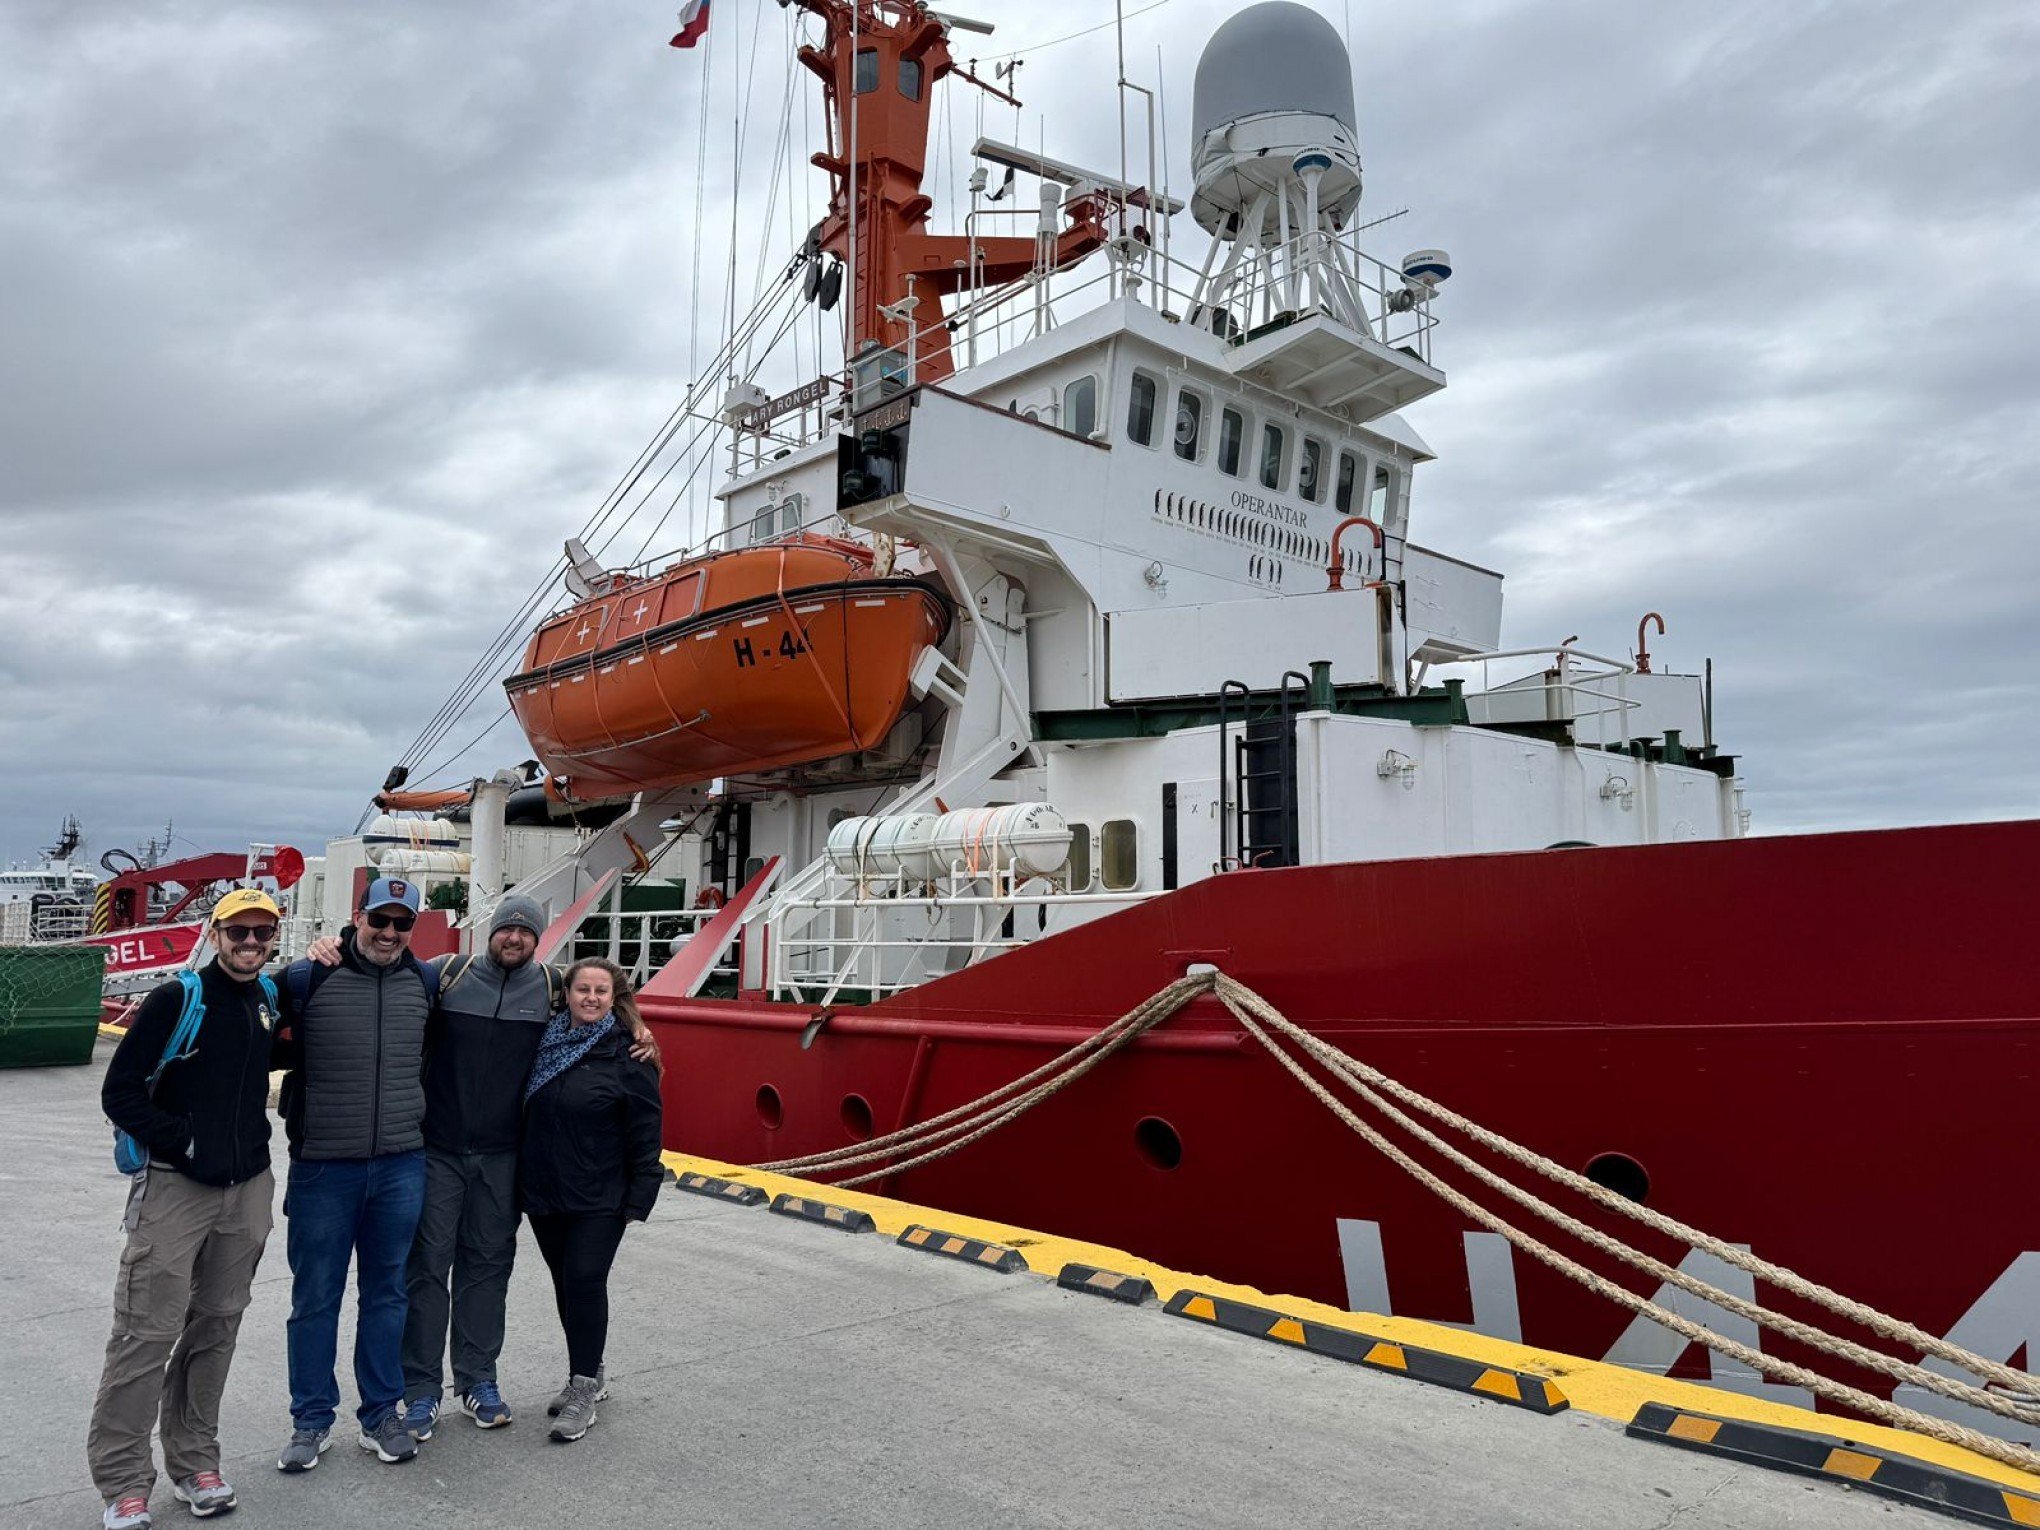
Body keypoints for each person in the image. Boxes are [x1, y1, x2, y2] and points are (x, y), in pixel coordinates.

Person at [304, 893, 659, 1439]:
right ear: (490, 932)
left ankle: (477, 1379)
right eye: (506, 929)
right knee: (426, 1269)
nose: (514, 938)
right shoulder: (446, 973)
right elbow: (381, 962)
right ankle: (420, 1391)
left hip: (503, 1156)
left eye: (526, 932)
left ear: (538, 941)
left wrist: (638, 1027)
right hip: (438, 1150)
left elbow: (602, 993)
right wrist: (329, 945)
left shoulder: (548, 987)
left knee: (489, 1268)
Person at [89, 888, 288, 1530]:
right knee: (145, 1334)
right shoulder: (177, 999)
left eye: (262, 933)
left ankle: (196, 1462)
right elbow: (120, 1093)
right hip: (177, 1187)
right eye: (239, 933)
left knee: (217, 1327)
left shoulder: (266, 999)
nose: (250, 944)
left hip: (248, 1188)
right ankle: (123, 1483)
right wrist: (184, 1139)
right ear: (217, 933)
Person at [273, 877, 434, 1471]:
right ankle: (310, 1421)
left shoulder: (425, 982)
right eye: (380, 920)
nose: (389, 933)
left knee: (387, 1293)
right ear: (357, 917)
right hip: (323, 1166)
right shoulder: (305, 977)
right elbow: (236, 1022)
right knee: (315, 1298)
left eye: (402, 924)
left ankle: (380, 1414)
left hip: (400, 1163)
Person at [519, 957, 665, 1443]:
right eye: (583, 989)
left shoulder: (630, 1055)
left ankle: (583, 1389)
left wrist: (640, 1197)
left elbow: (646, 1129)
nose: (591, 998)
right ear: (569, 993)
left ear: (614, 997)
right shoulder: (542, 1042)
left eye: (602, 991)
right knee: (565, 1282)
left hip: (600, 1194)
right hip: (544, 1189)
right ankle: (587, 1370)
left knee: (584, 1279)